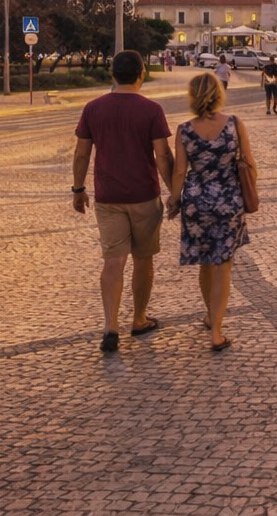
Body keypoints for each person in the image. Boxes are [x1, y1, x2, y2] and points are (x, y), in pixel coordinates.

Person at [71, 50, 173, 354]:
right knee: (143, 259)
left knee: (113, 261)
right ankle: (139, 318)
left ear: (112, 75)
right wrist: (175, 193)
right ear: (141, 74)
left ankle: (110, 326)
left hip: (108, 198)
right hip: (144, 197)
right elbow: (163, 156)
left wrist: (78, 189)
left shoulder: (93, 109)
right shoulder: (152, 110)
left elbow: (81, 154)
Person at [166, 71, 252, 352]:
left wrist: (174, 199)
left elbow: (179, 171)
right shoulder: (234, 124)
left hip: (196, 201)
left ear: (192, 97)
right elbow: (249, 163)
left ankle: (209, 314)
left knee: (205, 260)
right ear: (218, 93)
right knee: (223, 265)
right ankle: (216, 330)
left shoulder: (184, 130)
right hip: (228, 202)